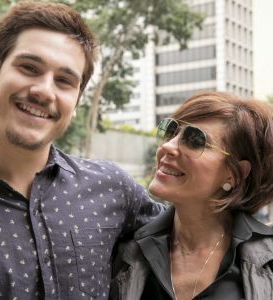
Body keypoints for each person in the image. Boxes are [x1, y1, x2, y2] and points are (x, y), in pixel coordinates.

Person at [0, 2, 164, 299]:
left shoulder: (112, 188)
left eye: (64, 81)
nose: (45, 91)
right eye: (29, 68)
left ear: (76, 103)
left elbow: (196, 232)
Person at [110, 91, 273, 300]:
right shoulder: (125, 251)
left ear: (235, 175)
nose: (167, 146)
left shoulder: (267, 259)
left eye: (195, 140)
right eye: (171, 131)